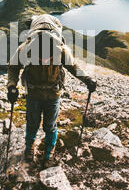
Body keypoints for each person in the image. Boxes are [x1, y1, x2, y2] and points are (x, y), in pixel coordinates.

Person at [7, 14, 97, 168]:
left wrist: (88, 79)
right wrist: (11, 86)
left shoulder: (60, 50)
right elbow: (13, 67)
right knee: (33, 123)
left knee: (49, 125)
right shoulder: (28, 48)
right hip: (36, 94)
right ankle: (30, 149)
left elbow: (73, 67)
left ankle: (48, 154)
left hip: (51, 94)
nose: (44, 61)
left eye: (47, 58)